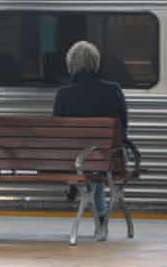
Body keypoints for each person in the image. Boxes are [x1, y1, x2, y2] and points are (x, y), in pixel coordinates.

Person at [52, 40, 129, 221]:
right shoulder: (113, 90)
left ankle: (79, 192)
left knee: (89, 160)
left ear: (70, 64)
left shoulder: (63, 95)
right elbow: (123, 126)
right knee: (100, 158)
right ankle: (100, 213)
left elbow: (58, 132)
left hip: (74, 160)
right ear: (96, 63)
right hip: (110, 158)